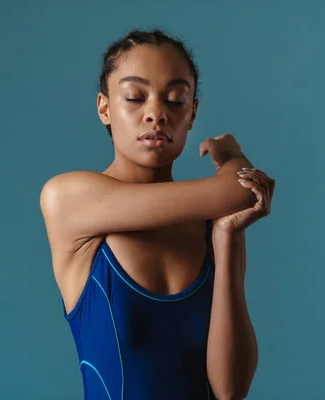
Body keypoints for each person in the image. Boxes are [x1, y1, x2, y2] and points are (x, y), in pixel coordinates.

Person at [40, 29, 275, 400]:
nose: (156, 114)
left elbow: (231, 389)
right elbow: (236, 190)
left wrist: (226, 236)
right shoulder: (68, 200)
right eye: (135, 97)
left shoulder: (213, 220)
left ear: (193, 111)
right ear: (104, 108)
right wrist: (233, 158)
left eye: (176, 100)